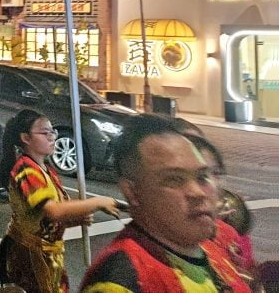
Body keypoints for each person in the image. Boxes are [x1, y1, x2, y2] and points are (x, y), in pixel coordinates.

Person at [80, 114, 252, 293]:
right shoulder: (121, 279)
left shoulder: (205, 248)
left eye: (203, 177)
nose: (198, 193)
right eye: (174, 180)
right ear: (132, 192)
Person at [0, 110, 119, 293]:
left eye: (52, 132)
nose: (51, 137)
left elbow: (50, 218)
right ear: (25, 138)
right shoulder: (26, 169)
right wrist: (98, 202)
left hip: (47, 254)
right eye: (44, 133)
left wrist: (73, 220)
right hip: (28, 255)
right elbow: (53, 210)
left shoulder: (47, 170)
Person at [184, 132, 259, 287]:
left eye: (215, 174)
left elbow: (248, 274)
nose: (209, 187)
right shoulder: (137, 264)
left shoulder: (226, 232)